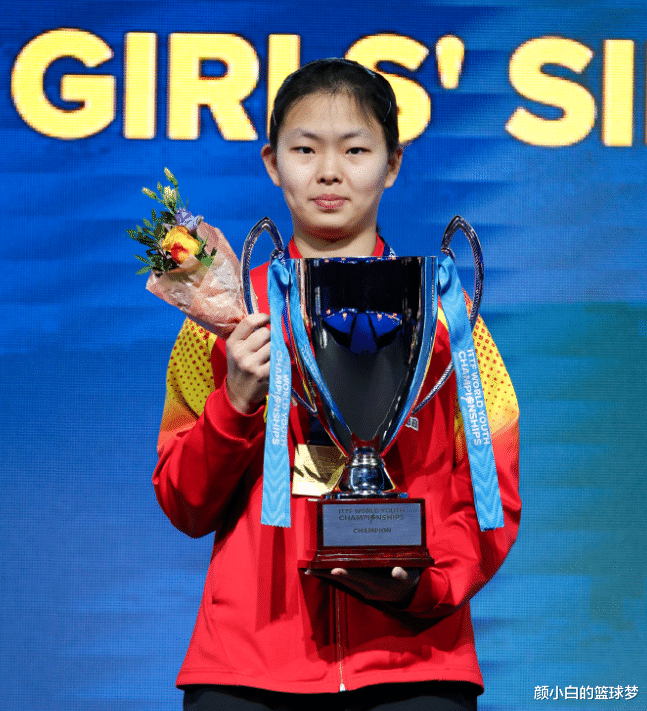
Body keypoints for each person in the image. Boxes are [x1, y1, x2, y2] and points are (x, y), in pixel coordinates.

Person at [153, 58, 521, 711]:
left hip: (416, 664)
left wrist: (424, 584)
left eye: (355, 150)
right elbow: (184, 504)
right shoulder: (225, 320)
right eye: (305, 150)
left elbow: (490, 496)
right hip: (247, 668)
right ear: (272, 162)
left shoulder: (445, 316)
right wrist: (235, 403)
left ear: (393, 163)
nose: (329, 171)